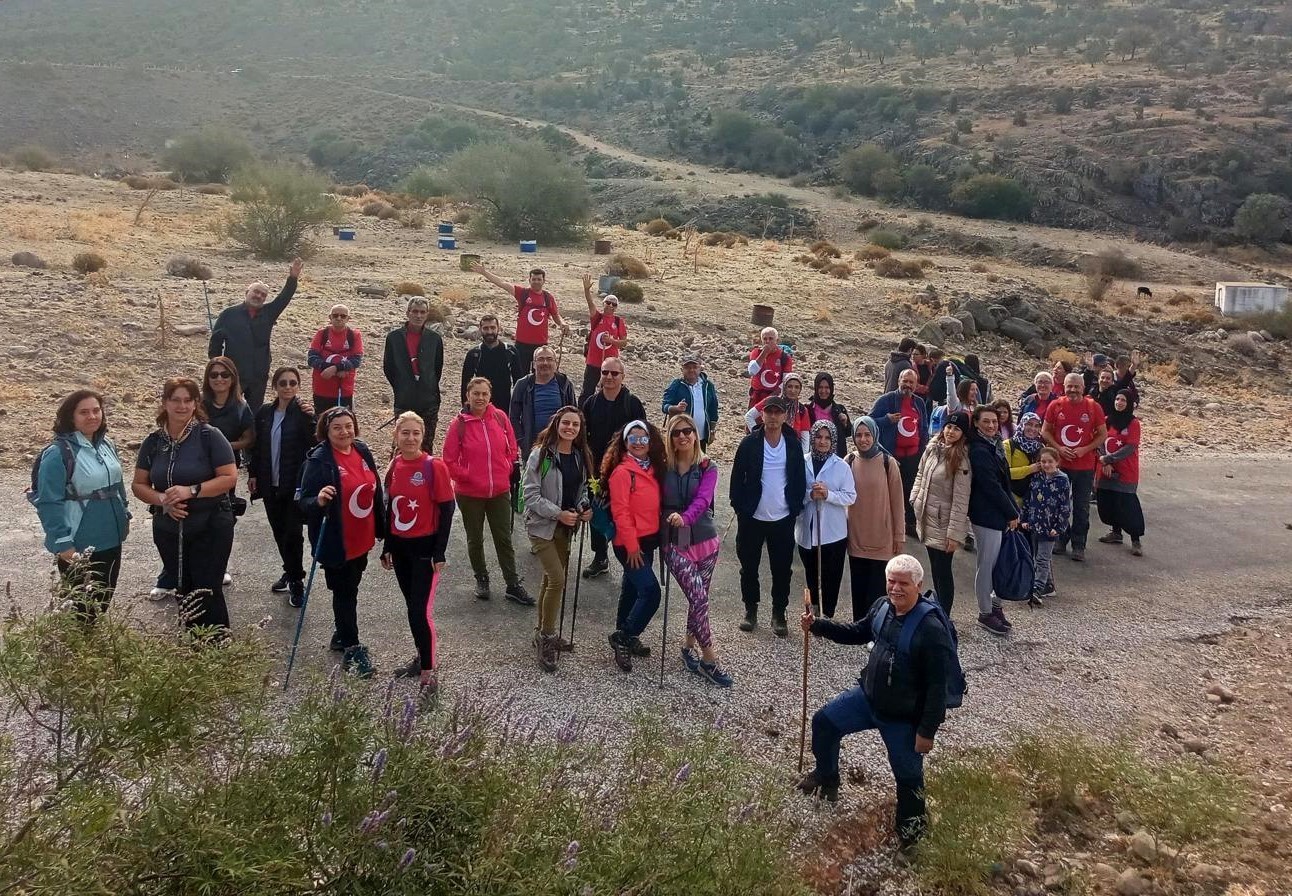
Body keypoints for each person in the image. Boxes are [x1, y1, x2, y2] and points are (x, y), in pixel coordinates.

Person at [797, 554, 955, 853]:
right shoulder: (883, 606)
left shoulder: (931, 629)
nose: (895, 588)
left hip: (904, 719)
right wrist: (819, 626)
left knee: (909, 778)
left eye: (903, 583)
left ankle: (912, 835)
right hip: (868, 699)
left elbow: (938, 687)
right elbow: (859, 632)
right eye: (891, 581)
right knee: (824, 723)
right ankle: (827, 777)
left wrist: (926, 732)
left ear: (918, 586)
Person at [131, 377, 238, 636]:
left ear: (195, 403)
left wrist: (190, 491)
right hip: (168, 526)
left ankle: (216, 648)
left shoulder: (210, 436)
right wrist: (163, 500)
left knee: (207, 589)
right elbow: (139, 485)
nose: (181, 406)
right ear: (165, 403)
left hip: (210, 523)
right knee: (183, 588)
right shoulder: (153, 442)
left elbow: (229, 477)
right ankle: (193, 645)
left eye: (187, 400)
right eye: (175, 400)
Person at [296, 407, 388, 678]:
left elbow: (376, 489)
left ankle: (342, 632)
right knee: (344, 592)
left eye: (348, 426)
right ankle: (351, 646)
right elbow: (303, 501)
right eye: (337, 427)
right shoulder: (319, 460)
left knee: (351, 589)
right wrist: (320, 500)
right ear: (326, 430)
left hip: (362, 536)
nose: (344, 432)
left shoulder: (361, 450)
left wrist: (382, 529)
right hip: (338, 540)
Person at [33, 390, 131, 619]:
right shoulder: (57, 454)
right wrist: (63, 542)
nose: (92, 416)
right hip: (78, 542)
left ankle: (87, 649)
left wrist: (124, 512)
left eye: (96, 410)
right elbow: (48, 502)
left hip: (112, 537)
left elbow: (118, 484)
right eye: (84, 412)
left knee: (102, 601)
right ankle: (73, 652)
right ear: (71, 417)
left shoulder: (107, 444)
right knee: (80, 608)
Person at [381, 412, 455, 696]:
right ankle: (421, 655)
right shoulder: (394, 465)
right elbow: (390, 510)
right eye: (405, 433)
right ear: (396, 436)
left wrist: (440, 552)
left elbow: (447, 510)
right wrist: (387, 545)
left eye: (415, 433)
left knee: (419, 612)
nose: (410, 438)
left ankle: (428, 672)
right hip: (401, 549)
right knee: (412, 610)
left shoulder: (433, 466)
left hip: (425, 549)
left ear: (423, 436)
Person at [661, 413, 731, 686]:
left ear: (695, 434)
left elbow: (703, 500)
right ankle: (709, 659)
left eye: (688, 431)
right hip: (674, 544)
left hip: (705, 541)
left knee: (697, 598)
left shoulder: (708, 467)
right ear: (670, 437)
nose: (683, 436)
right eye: (677, 432)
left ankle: (688, 646)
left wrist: (686, 518)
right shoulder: (662, 466)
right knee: (700, 598)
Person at [446, 377, 529, 605]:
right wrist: (468, 475)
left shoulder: (500, 418)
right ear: (468, 396)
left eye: (484, 393)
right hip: (469, 493)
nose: (480, 398)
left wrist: (505, 466)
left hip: (499, 491)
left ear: (490, 395)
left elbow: (512, 447)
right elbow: (449, 460)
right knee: (475, 539)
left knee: (503, 538)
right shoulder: (459, 424)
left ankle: (512, 584)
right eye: (476, 394)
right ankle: (481, 578)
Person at [522, 406, 593, 673]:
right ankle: (548, 637)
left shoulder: (579, 456)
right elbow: (530, 496)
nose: (570, 428)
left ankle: (541, 632)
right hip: (541, 527)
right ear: (557, 424)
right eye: (566, 423)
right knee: (558, 579)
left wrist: (584, 507)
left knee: (550, 579)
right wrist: (559, 514)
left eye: (575, 425)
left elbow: (582, 489)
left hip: (566, 527)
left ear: (579, 429)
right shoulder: (540, 455)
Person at [730, 395, 807, 637]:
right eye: (769, 412)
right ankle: (750, 610)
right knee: (749, 567)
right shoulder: (749, 443)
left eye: (778, 412)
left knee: (782, 569)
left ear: (785, 416)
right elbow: (736, 479)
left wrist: (795, 507)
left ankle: (778, 612)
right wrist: (740, 507)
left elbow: (798, 478)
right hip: (752, 518)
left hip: (783, 518)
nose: (773, 417)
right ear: (762, 415)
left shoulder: (792, 443)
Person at [247, 366, 316, 609]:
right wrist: (253, 473)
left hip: (294, 486)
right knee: (279, 532)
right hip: (269, 484)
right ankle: (290, 570)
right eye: (283, 383)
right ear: (275, 386)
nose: (288, 387)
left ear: (298, 386)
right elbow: (256, 448)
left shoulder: (304, 414)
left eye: (292, 383)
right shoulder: (265, 413)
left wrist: (315, 419)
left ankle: (297, 581)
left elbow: (314, 446)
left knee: (293, 534)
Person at [604, 420, 666, 673]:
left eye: (643, 439)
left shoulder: (655, 468)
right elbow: (621, 512)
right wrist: (631, 546)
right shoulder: (622, 472)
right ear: (625, 442)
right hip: (630, 544)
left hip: (648, 540)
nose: (639, 443)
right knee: (651, 592)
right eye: (634, 439)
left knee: (631, 589)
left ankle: (624, 632)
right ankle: (625, 637)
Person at [579, 357, 646, 579]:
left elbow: (643, 438)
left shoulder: (632, 404)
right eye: (605, 372)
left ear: (622, 377)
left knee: (624, 513)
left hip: (625, 472)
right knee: (597, 514)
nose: (609, 377)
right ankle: (600, 557)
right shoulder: (590, 403)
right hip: (596, 471)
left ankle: (628, 552)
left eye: (614, 374)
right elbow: (582, 437)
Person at [208, 257, 303, 412]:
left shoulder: (268, 313)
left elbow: (284, 298)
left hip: (259, 374)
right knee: (228, 410)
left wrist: (293, 278)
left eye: (263, 295)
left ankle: (251, 437)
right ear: (247, 292)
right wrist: (218, 368)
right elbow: (215, 343)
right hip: (234, 374)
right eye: (256, 292)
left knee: (254, 414)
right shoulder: (229, 314)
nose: (258, 296)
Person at [910, 412, 971, 614]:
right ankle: (939, 607)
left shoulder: (961, 459)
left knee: (943, 570)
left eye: (957, 429)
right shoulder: (933, 448)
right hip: (928, 516)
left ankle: (945, 614)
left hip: (944, 522)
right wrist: (915, 498)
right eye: (949, 427)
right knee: (934, 567)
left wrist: (954, 534)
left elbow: (961, 499)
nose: (951, 432)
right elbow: (920, 473)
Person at [844, 417, 906, 621]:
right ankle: (858, 627)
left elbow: (898, 503)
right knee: (859, 586)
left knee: (878, 591)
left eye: (867, 434)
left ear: (875, 435)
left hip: (882, 537)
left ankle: (877, 629)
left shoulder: (888, 463)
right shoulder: (849, 461)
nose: (863, 439)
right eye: (859, 435)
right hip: (856, 536)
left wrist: (899, 536)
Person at [1041, 373, 1107, 562]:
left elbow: (1102, 435)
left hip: (1085, 466)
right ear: (1064, 387)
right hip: (1060, 465)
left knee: (1081, 507)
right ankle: (1061, 538)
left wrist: (1084, 449)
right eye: (1069, 386)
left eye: (1076, 386)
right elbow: (1045, 431)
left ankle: (1079, 544)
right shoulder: (1056, 405)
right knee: (1059, 504)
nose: (1073, 390)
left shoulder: (1093, 407)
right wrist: (1059, 448)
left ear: (1083, 387)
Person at [967, 406, 1021, 636]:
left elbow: (1004, 481)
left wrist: (1013, 510)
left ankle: (995, 606)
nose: (991, 426)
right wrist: (1011, 512)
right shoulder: (979, 450)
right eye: (986, 422)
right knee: (986, 564)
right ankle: (985, 612)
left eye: (994, 422)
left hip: (997, 512)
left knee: (997, 563)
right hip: (985, 514)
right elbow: (990, 485)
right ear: (977, 423)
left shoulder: (994, 445)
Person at [796, 420, 856, 619]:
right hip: (807, 527)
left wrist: (828, 494)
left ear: (833, 440)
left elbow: (850, 496)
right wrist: (809, 495)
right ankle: (814, 609)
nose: (822, 441)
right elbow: (793, 493)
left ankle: (828, 614)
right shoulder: (801, 461)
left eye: (827, 438)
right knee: (811, 572)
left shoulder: (841, 466)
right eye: (819, 437)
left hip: (833, 531)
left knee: (831, 575)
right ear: (813, 438)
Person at [471, 263, 571, 377]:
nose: (536, 282)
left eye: (539, 279)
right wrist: (484, 272)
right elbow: (503, 284)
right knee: (519, 376)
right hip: (522, 345)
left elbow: (556, 315)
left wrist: (563, 324)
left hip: (540, 345)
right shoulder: (522, 293)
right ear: (529, 280)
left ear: (544, 281)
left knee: (540, 376)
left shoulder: (548, 298)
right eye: (534, 279)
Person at [870, 368, 929, 537]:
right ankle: (885, 522)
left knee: (910, 490)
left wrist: (922, 447)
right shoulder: (886, 400)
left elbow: (923, 426)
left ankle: (908, 524)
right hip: (891, 455)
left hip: (914, 455)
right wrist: (887, 419)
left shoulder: (919, 403)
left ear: (916, 385)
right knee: (889, 489)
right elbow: (868, 421)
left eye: (911, 382)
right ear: (899, 381)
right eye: (905, 381)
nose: (908, 385)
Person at [383, 296, 445, 452]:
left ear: (427, 314)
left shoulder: (434, 339)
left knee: (425, 444)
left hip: (429, 400)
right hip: (404, 398)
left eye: (422, 312)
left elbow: (437, 368)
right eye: (415, 311)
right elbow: (388, 368)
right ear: (407, 313)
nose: (418, 316)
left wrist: (427, 385)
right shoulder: (394, 338)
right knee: (402, 444)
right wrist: (401, 385)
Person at [1095, 390, 1145, 557]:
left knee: (1127, 504)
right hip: (1106, 468)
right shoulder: (1107, 420)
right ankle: (1116, 532)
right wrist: (1104, 460)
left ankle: (1136, 540)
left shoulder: (1133, 423)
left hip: (1126, 470)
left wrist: (1109, 459)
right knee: (1109, 501)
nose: (1119, 402)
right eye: (1117, 399)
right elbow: (1100, 440)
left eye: (1123, 400)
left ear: (1129, 403)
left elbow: (1130, 447)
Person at [1021, 446, 1070, 608]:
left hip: (1050, 527)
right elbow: (1029, 500)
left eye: (1050, 461)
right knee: (1039, 556)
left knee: (1042, 558)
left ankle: (1037, 589)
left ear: (1057, 462)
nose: (1046, 465)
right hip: (1035, 524)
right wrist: (1025, 518)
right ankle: (1048, 584)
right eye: (1043, 462)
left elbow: (1065, 506)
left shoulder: (1062, 480)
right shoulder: (1037, 478)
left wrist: (1059, 526)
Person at [510, 345, 576, 459]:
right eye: (540, 359)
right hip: (532, 446)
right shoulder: (523, 385)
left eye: (549, 359)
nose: (545, 363)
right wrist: (522, 441)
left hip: (560, 444)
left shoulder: (564, 384)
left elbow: (575, 413)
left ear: (555, 363)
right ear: (534, 364)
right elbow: (513, 417)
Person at [578, 273, 628, 403]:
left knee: (607, 391)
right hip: (593, 361)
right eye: (608, 303)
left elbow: (624, 342)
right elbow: (590, 304)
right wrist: (586, 291)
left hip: (610, 364)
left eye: (614, 304)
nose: (610, 306)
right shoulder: (597, 317)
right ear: (603, 303)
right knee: (587, 391)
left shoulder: (618, 322)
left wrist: (611, 341)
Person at [307, 304, 363, 413]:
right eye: (335, 315)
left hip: (344, 390)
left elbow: (356, 360)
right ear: (330, 317)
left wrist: (334, 369)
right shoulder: (322, 333)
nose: (339, 318)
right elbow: (312, 358)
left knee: (343, 422)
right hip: (322, 388)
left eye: (343, 316)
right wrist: (329, 368)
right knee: (322, 422)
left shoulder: (354, 335)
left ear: (348, 319)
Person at [662, 353, 720, 450]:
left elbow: (713, 409)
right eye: (688, 367)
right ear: (682, 369)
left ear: (700, 368)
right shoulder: (677, 385)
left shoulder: (708, 386)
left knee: (699, 462)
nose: (691, 370)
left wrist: (712, 430)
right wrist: (676, 408)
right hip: (681, 435)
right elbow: (664, 406)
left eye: (694, 367)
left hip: (700, 435)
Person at [459, 313, 515, 412]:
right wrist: (466, 408)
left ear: (499, 328)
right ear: (480, 330)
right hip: (480, 405)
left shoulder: (510, 351)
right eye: (486, 328)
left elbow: (518, 381)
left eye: (493, 328)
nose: (489, 332)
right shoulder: (474, 354)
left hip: (505, 406)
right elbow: (465, 384)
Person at [745, 371, 810, 451]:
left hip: (791, 450)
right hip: (768, 447)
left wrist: (802, 458)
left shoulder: (802, 410)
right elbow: (749, 416)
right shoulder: (771, 402)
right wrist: (758, 436)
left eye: (797, 387)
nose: (793, 390)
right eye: (789, 386)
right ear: (784, 387)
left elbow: (805, 438)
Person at [1004, 412, 1045, 508]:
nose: (1033, 429)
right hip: (1012, 498)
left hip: (1034, 500)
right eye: (1029, 424)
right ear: (1022, 424)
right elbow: (1005, 473)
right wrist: (1030, 469)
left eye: (1036, 426)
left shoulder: (1040, 447)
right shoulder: (1008, 445)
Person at [747, 326, 793, 408]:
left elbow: (786, 381)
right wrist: (764, 353)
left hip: (774, 397)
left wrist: (773, 397)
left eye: (771, 339)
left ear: (777, 341)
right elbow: (752, 371)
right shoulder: (756, 353)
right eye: (765, 339)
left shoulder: (785, 357)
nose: (767, 341)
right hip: (756, 396)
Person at [807, 372, 851, 457]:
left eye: (827, 387)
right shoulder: (808, 410)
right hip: (812, 458)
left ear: (831, 389)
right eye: (820, 387)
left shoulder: (839, 410)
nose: (823, 391)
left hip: (836, 458)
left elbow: (848, 433)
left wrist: (845, 423)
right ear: (816, 388)